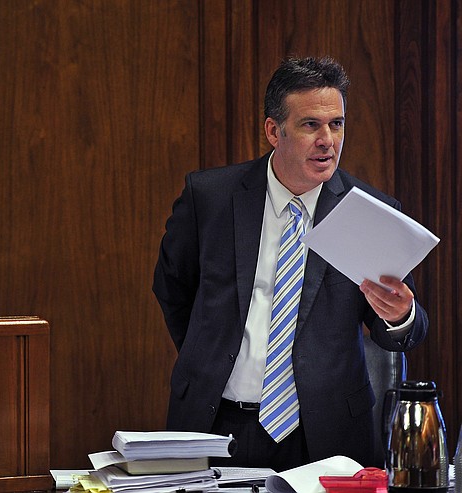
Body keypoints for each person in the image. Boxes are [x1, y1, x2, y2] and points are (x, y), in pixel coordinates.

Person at [152, 56, 428, 471]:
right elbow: (173, 287)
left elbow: (403, 330)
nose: (327, 140)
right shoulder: (210, 197)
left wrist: (400, 315)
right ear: (273, 131)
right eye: (310, 125)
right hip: (217, 421)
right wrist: (206, 354)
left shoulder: (368, 213)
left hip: (327, 433)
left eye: (336, 124)